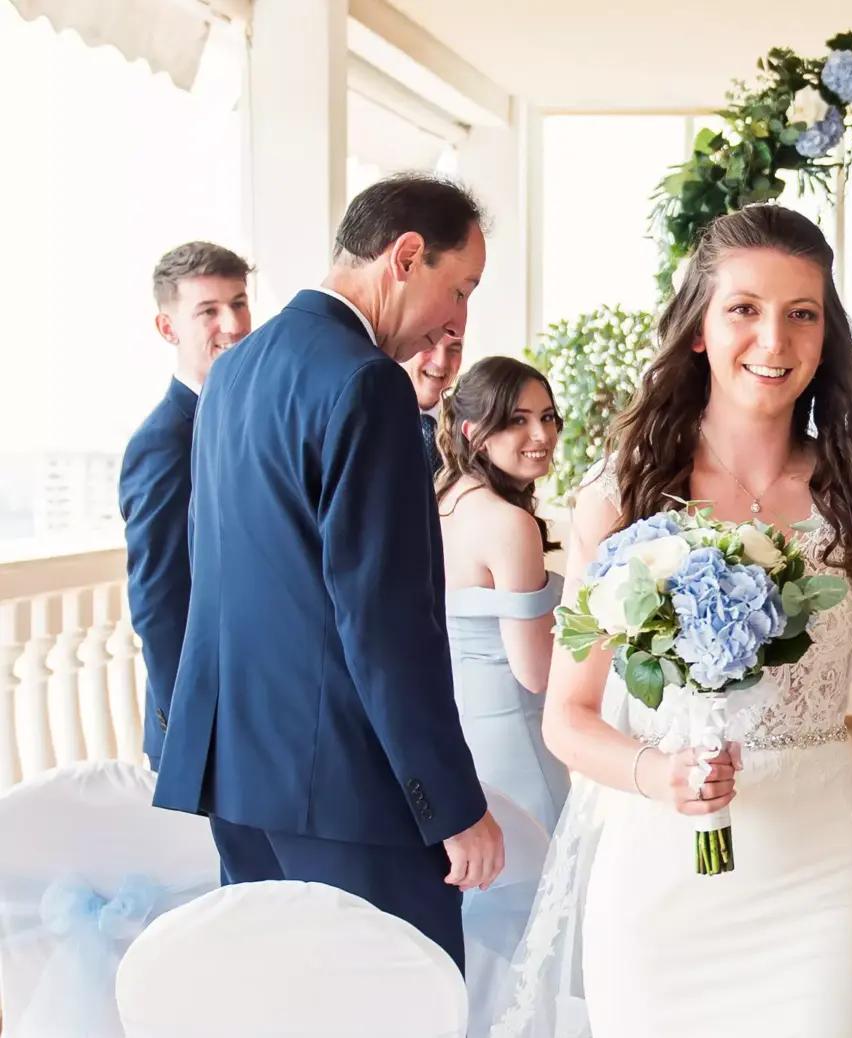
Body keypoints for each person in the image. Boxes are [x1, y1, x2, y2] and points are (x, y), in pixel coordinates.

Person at [501, 204, 852, 1036]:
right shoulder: (619, 499)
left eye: (801, 314)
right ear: (700, 328)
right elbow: (568, 718)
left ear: (826, 335)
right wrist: (657, 773)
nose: (774, 342)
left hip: (823, 891)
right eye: (745, 309)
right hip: (658, 890)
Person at [153, 173, 504, 970]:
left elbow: (219, 573)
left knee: (279, 1007)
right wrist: (450, 805)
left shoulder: (233, 373)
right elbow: (383, 620)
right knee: (402, 1003)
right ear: (406, 256)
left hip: (242, 781)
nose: (457, 318)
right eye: (460, 287)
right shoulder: (367, 382)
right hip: (349, 791)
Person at [120, 241, 252, 768]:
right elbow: (159, 601)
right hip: (205, 733)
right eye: (209, 311)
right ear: (168, 328)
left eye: (240, 303)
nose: (234, 324)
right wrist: (193, 730)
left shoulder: (249, 419)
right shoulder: (162, 441)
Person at [436, 356, 569, 832]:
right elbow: (535, 672)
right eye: (518, 420)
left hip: (459, 748)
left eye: (548, 417)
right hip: (520, 751)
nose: (542, 436)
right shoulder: (508, 525)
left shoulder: (441, 501)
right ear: (474, 431)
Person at [408, 330, 464, 476]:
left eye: (454, 349)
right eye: (429, 345)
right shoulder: (374, 418)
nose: (441, 362)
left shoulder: (470, 425)